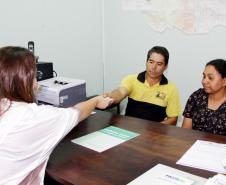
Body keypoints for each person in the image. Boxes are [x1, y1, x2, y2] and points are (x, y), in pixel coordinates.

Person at [0, 46, 113, 185]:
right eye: (35, 77)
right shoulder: (31, 117)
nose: (37, 84)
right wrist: (96, 100)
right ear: (23, 81)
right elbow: (79, 112)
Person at [104, 46, 181, 125]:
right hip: (129, 129)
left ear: (165, 67)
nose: (154, 67)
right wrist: (111, 97)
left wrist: (155, 130)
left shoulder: (171, 88)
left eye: (159, 64)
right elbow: (120, 92)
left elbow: (173, 119)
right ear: (146, 62)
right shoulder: (132, 79)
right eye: (151, 62)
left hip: (154, 133)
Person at [182, 59, 226, 136]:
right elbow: (185, 131)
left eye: (210, 78)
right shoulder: (196, 97)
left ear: (224, 81)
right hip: (194, 145)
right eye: (204, 76)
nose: (204, 81)